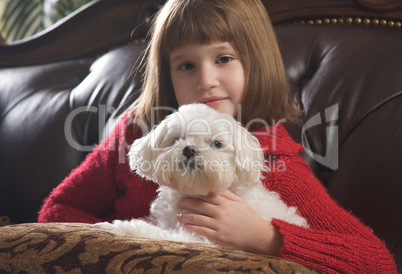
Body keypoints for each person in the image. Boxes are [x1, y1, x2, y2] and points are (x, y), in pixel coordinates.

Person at [38, 0, 397, 273]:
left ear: (253, 63)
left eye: (223, 59)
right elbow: (57, 211)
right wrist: (131, 241)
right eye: (186, 65)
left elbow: (376, 261)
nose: (205, 80)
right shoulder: (136, 133)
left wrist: (264, 238)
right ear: (167, 73)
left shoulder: (270, 158)